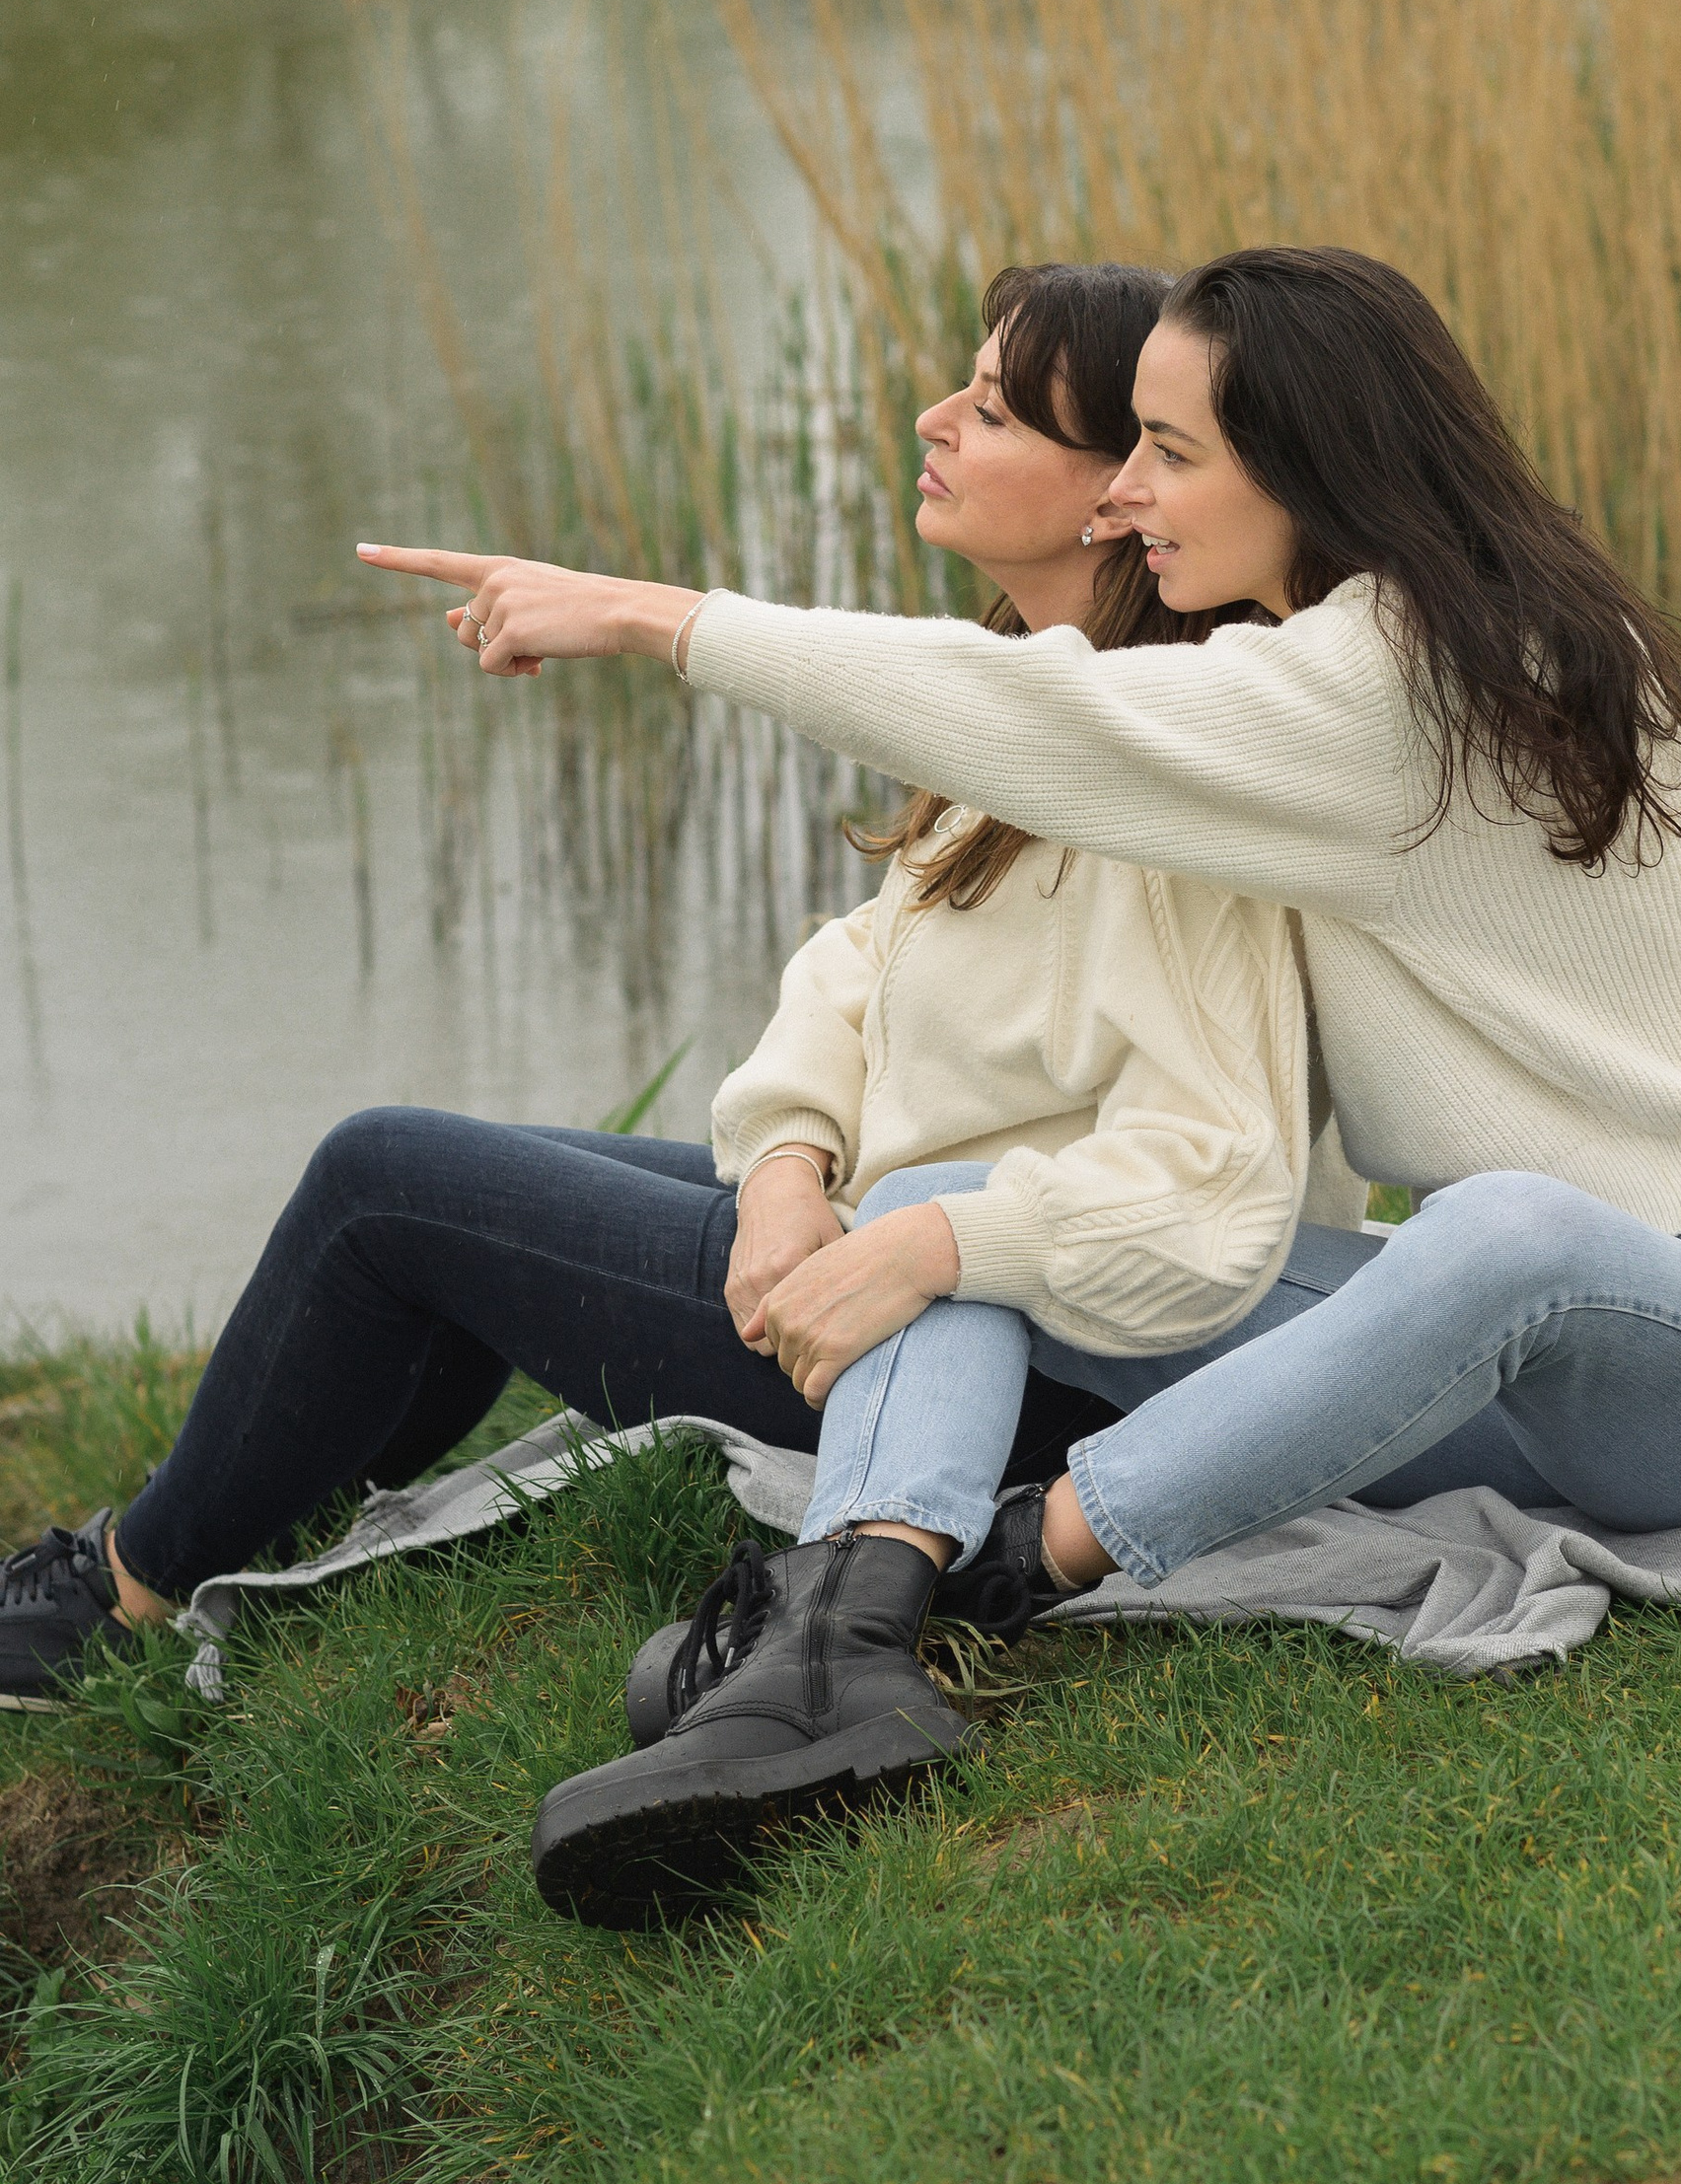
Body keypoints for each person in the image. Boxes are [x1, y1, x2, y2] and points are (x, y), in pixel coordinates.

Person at [363, 245, 1681, 1928]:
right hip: (1501, 1368)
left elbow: (1038, 717)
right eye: (1125, 444)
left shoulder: (1423, 676)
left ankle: (1008, 1577)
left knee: (1512, 1227)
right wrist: (855, 1192)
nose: (1125, 495)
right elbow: (945, 868)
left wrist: (660, 618)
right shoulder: (1348, 656)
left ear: (1312, 466)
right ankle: (841, 1644)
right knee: (947, 1214)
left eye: (1171, 455)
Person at [0, 269, 1352, 1867]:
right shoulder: (1024, 717)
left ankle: (117, 1598)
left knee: (388, 1186)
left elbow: (1210, 1185)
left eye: (990, 411)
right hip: (903, 1253)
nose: (933, 421)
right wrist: (784, 1167)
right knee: (458, 1200)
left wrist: (899, 1240)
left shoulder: (1171, 778)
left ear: (1115, 494)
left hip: (1025, 1350)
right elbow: (864, 972)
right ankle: (242, 1535)